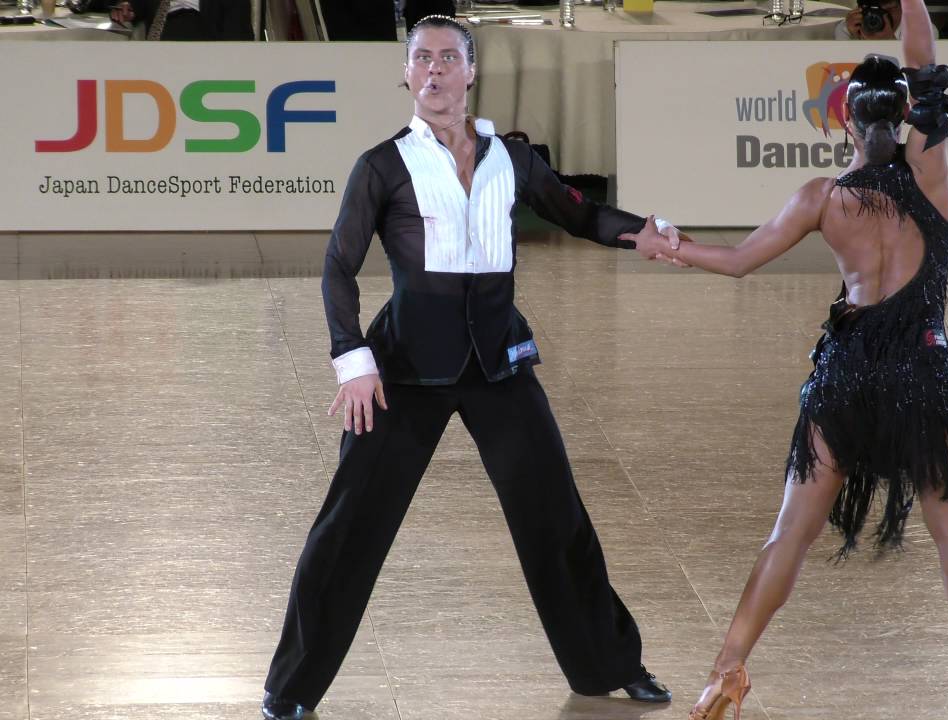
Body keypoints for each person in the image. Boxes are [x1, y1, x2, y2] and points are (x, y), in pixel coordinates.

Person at [624, 1, 948, 718]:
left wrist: (673, 248)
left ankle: (727, 670)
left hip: (844, 381)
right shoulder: (930, 178)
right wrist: (911, 4)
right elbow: (926, 63)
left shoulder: (822, 198)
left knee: (790, 534)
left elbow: (739, 261)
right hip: (919, 377)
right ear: (903, 117)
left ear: (844, 122)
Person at [260, 15, 675, 720]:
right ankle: (291, 688)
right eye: (421, 58)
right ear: (406, 74)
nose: (434, 69)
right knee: (349, 528)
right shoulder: (382, 166)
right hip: (402, 373)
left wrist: (642, 231)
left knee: (557, 519)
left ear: (471, 72)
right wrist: (353, 362)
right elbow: (337, 266)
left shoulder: (511, 157)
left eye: (448, 57)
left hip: (499, 367)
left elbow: (579, 213)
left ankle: (607, 665)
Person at [109, 0, 252, 40]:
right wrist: (128, 6)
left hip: (206, 31)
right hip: (165, 27)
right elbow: (138, 4)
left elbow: (238, 31)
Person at [837, 0, 939, 40]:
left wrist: (889, 40)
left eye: (888, 8)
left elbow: (914, 73)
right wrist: (856, 40)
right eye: (871, 8)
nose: (878, 14)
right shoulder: (847, 28)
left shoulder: (923, 30)